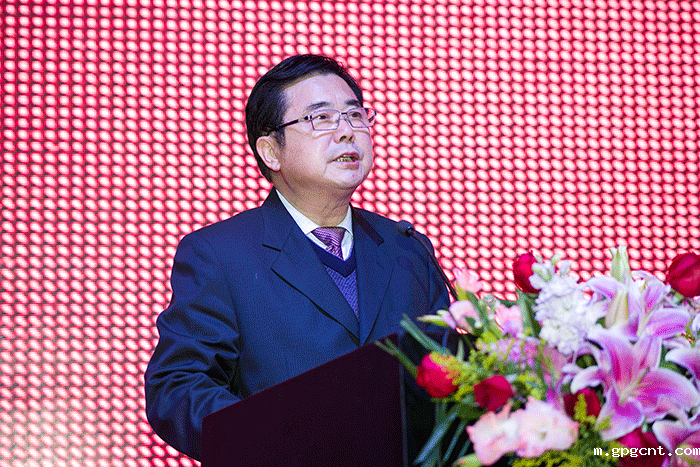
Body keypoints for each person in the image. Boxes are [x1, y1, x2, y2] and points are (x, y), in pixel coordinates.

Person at [144, 54, 450, 461]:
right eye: (321, 118)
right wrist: (280, 440)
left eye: (355, 115)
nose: (347, 132)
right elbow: (177, 388)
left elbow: (450, 373)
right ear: (271, 151)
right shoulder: (220, 254)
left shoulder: (407, 249)